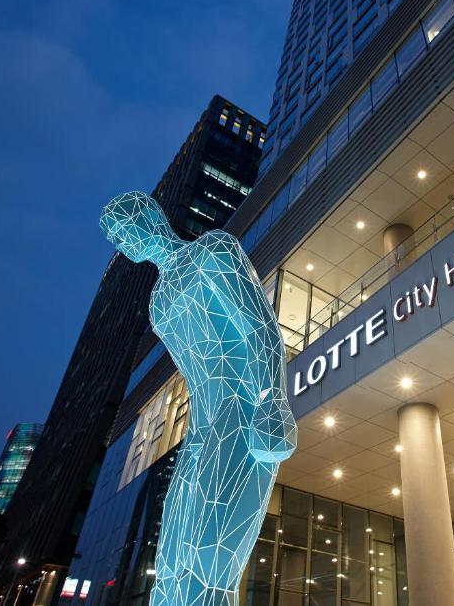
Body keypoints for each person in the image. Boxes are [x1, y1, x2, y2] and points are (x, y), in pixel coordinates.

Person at [100, 191, 297, 606]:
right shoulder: (157, 304)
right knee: (172, 555)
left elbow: (261, 328)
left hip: (241, 408)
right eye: (116, 238)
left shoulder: (214, 250)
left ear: (151, 215)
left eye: (125, 228)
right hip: (201, 427)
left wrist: (271, 398)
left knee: (211, 556)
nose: (124, 243)